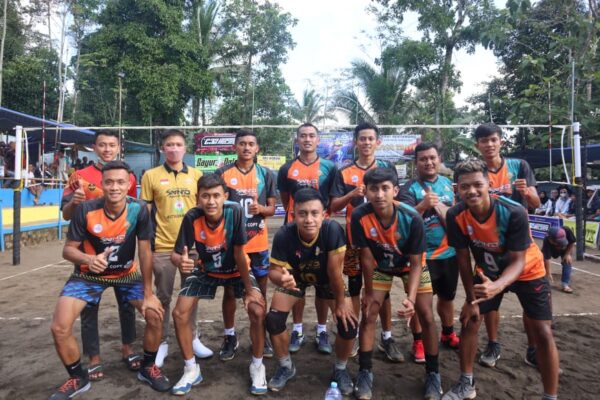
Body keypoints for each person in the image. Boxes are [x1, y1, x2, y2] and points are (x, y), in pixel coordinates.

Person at [49, 161, 171, 400]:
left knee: (156, 313)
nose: (115, 187)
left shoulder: (139, 209)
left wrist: (148, 293)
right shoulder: (85, 210)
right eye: (109, 182)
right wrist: (89, 258)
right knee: (59, 327)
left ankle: (148, 367)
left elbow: (145, 252)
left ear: (129, 184)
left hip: (126, 275)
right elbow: (68, 250)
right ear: (102, 184)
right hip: (88, 275)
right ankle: (77, 378)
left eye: (120, 182)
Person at [442, 159, 559, 400]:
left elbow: (518, 261)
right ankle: (466, 383)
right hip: (488, 273)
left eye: (477, 184)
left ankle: (550, 395)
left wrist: (497, 286)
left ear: (488, 184)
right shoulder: (455, 215)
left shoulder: (513, 212)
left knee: (543, 332)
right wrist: (470, 299)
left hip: (527, 271)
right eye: (465, 186)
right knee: (470, 320)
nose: (471, 191)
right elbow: (462, 260)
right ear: (457, 189)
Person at [169, 174, 267, 396]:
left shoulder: (234, 211)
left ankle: (257, 365)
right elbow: (176, 254)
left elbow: (240, 254)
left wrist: (249, 291)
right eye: (205, 196)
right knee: (179, 313)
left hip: (236, 270)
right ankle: (191, 369)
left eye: (216, 196)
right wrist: (180, 262)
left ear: (225, 196)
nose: (211, 201)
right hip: (207, 270)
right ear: (198, 198)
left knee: (258, 310)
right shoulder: (192, 216)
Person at [351, 168, 441, 400]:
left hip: (411, 267)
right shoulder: (359, 216)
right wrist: (368, 291)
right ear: (366, 192)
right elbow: (366, 257)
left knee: (426, 315)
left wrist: (410, 299)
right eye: (374, 189)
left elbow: (416, 263)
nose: (379, 194)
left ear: (395, 191)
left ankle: (433, 374)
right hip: (381, 266)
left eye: (385, 188)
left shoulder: (412, 217)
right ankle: (364, 372)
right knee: (369, 313)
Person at [60, 130, 139, 380]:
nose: (107, 149)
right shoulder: (79, 176)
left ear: (118, 147)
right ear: (94, 147)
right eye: (102, 145)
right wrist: (74, 203)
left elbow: (134, 213)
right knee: (89, 307)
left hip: (122, 253)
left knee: (127, 304)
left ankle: (128, 348)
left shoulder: (128, 176)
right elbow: (66, 214)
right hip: (89, 255)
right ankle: (94, 358)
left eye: (111, 145)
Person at [266, 188, 358, 395]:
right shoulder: (284, 234)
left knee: (349, 324)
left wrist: (341, 304)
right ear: (293, 214)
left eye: (314, 213)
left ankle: (340, 368)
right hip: (296, 278)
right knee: (273, 320)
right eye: (302, 213)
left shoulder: (332, 230)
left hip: (328, 279)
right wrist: (282, 279)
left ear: (324, 214)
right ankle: (286, 366)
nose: (309, 219)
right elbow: (273, 271)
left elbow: (335, 272)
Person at [329, 122, 402, 362]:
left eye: (371, 138)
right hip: (354, 242)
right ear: (355, 142)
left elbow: (398, 202)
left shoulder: (387, 168)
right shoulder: (344, 172)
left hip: (381, 242)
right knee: (354, 288)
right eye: (362, 138)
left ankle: (387, 337)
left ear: (377, 142)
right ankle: (356, 334)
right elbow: (333, 206)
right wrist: (351, 194)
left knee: (383, 290)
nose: (366, 142)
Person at [140, 129, 212, 368]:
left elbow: (204, 209)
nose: (174, 148)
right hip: (162, 246)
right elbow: (145, 213)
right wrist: (147, 244)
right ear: (163, 148)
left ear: (185, 148)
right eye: (169, 144)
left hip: (191, 247)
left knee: (191, 295)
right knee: (162, 296)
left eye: (178, 144)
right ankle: (161, 342)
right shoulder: (150, 176)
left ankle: (193, 337)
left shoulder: (197, 175)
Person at [473, 123, 540, 368]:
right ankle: (493, 344)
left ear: (501, 141)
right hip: (489, 246)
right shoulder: (477, 171)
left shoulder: (519, 166)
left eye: (493, 139)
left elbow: (535, 203)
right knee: (490, 298)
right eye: (484, 140)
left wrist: (527, 193)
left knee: (530, 303)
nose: (489, 144)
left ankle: (533, 349)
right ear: (477, 145)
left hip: (520, 246)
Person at [215, 129, 277, 360]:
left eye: (251, 144)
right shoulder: (222, 173)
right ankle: (229, 336)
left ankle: (260, 335)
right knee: (230, 291)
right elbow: (215, 206)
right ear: (235, 147)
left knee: (261, 292)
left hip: (258, 244)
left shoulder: (266, 174)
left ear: (257, 148)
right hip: (233, 245)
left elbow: (272, 208)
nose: (247, 147)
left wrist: (261, 209)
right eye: (242, 143)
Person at [277, 123, 337, 354]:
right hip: (296, 231)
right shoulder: (287, 168)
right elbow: (286, 200)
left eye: (312, 135)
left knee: (323, 284)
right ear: (297, 140)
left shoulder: (330, 167)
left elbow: (331, 200)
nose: (307, 139)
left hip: (322, 233)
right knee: (296, 282)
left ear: (318, 140)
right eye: (303, 136)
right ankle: (298, 329)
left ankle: (322, 330)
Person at [398, 143, 460, 356]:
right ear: (416, 162)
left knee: (447, 298)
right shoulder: (408, 188)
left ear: (439, 158)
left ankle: (448, 333)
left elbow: (455, 214)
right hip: (422, 257)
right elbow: (403, 221)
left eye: (432, 157)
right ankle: (419, 341)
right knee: (421, 305)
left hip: (449, 253)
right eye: (423, 159)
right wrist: (423, 206)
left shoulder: (447, 183)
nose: (429, 162)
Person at [542, 226, 576, 294]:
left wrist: (567, 254)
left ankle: (565, 284)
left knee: (567, 261)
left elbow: (572, 242)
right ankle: (542, 280)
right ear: (550, 239)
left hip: (566, 249)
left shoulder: (567, 230)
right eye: (558, 242)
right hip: (552, 249)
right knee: (541, 260)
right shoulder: (547, 241)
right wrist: (548, 273)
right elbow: (547, 259)